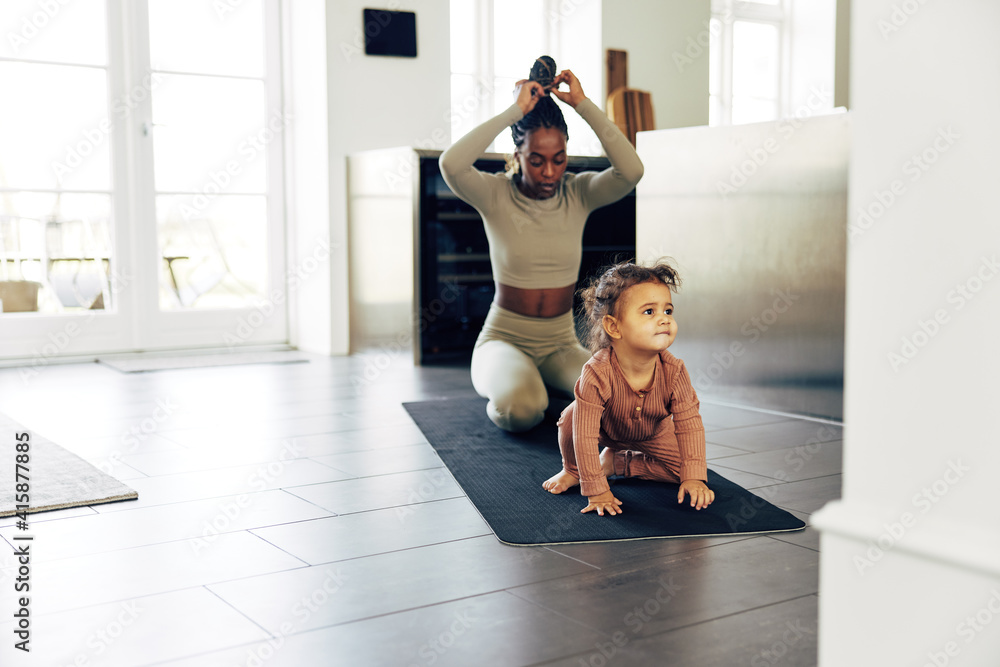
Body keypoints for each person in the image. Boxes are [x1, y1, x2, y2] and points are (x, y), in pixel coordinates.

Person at [439, 56, 644, 433]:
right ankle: (517, 386)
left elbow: (631, 171)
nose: (549, 172)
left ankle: (548, 387)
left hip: (561, 344)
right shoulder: (494, 193)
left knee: (622, 401)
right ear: (517, 155)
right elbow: (451, 165)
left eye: (558, 159)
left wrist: (582, 104)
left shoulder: (578, 193)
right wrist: (514, 110)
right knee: (523, 410)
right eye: (536, 160)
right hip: (504, 340)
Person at [541, 260, 715, 517]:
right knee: (571, 417)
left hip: (652, 433)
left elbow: (689, 425)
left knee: (688, 470)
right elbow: (585, 436)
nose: (664, 320)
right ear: (614, 326)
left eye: (668, 311)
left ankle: (617, 462)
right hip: (603, 429)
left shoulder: (675, 370)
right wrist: (597, 489)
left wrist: (693, 478)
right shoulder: (596, 372)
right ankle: (573, 470)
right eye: (649, 312)